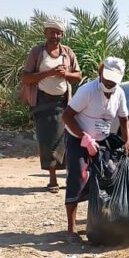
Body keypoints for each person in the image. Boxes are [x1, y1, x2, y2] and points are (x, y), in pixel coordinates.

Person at [61, 57, 129, 241]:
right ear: (100, 73)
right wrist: (83, 136)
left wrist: (128, 141)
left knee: (110, 176)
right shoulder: (88, 91)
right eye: (106, 77)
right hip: (79, 139)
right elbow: (67, 117)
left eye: (113, 80)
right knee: (78, 177)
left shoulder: (119, 94)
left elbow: (125, 121)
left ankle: (102, 221)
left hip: (102, 141)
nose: (108, 83)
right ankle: (71, 228)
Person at [21, 19, 82, 193]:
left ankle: (70, 177)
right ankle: (52, 179)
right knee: (47, 140)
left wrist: (66, 73)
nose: (54, 36)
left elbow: (78, 76)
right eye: (51, 32)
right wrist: (49, 73)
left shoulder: (67, 52)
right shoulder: (37, 52)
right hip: (43, 103)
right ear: (45, 33)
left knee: (65, 139)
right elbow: (26, 77)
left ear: (62, 35)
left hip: (63, 103)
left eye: (58, 33)